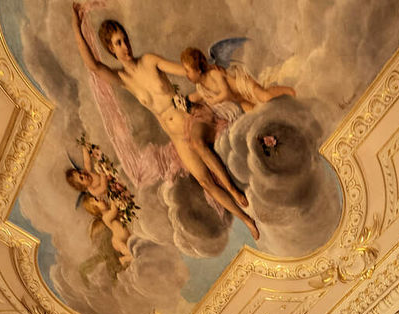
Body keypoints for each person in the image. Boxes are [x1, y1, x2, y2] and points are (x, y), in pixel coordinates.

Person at [70, 5, 259, 240]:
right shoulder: (123, 78)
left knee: (200, 145)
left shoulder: (149, 61)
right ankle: (247, 220)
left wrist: (205, 69)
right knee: (204, 181)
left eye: (125, 40)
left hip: (192, 117)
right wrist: (76, 26)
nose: (125, 46)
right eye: (118, 43)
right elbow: (94, 66)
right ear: (110, 48)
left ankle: (232, 189)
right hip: (176, 137)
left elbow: (185, 71)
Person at [179, 46, 295, 120]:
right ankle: (285, 115)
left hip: (245, 86)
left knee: (265, 96)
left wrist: (215, 100)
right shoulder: (201, 86)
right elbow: (197, 97)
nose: (186, 74)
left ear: (198, 71)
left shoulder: (214, 74)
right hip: (240, 99)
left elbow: (225, 93)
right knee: (257, 115)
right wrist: (181, 102)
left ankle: (290, 91)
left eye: (188, 71)